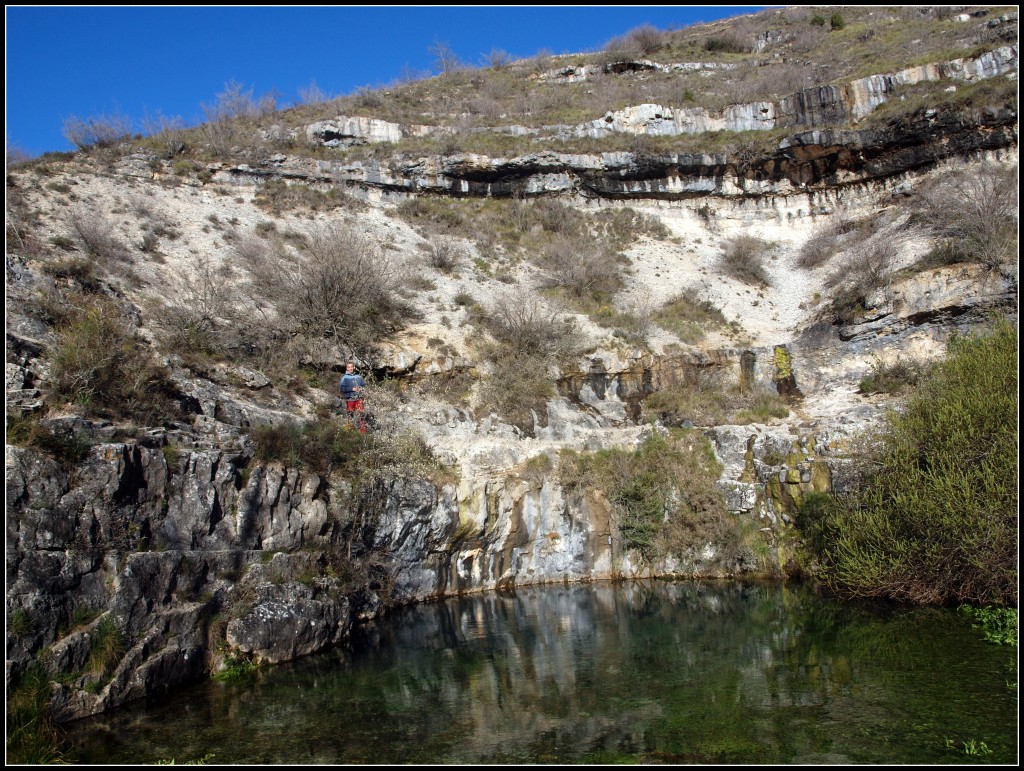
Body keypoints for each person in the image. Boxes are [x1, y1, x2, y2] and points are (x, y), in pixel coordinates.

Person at [338, 361, 367, 432]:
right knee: (350, 415)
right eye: (349, 367)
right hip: (350, 399)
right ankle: (350, 431)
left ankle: (363, 432)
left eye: (351, 367)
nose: (350, 368)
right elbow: (341, 389)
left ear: (354, 367)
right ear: (347, 368)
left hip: (359, 398)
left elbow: (364, 386)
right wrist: (352, 389)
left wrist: (361, 389)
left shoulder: (358, 376)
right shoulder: (344, 378)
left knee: (361, 414)